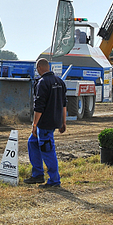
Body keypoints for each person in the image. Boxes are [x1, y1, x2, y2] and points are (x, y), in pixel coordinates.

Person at [25, 58, 67, 188]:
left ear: (39, 68)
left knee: (47, 150)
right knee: (32, 142)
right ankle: (38, 174)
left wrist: (35, 125)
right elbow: (64, 104)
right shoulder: (60, 82)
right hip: (55, 120)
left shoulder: (42, 83)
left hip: (44, 124)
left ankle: (54, 180)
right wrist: (63, 122)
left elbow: (39, 107)